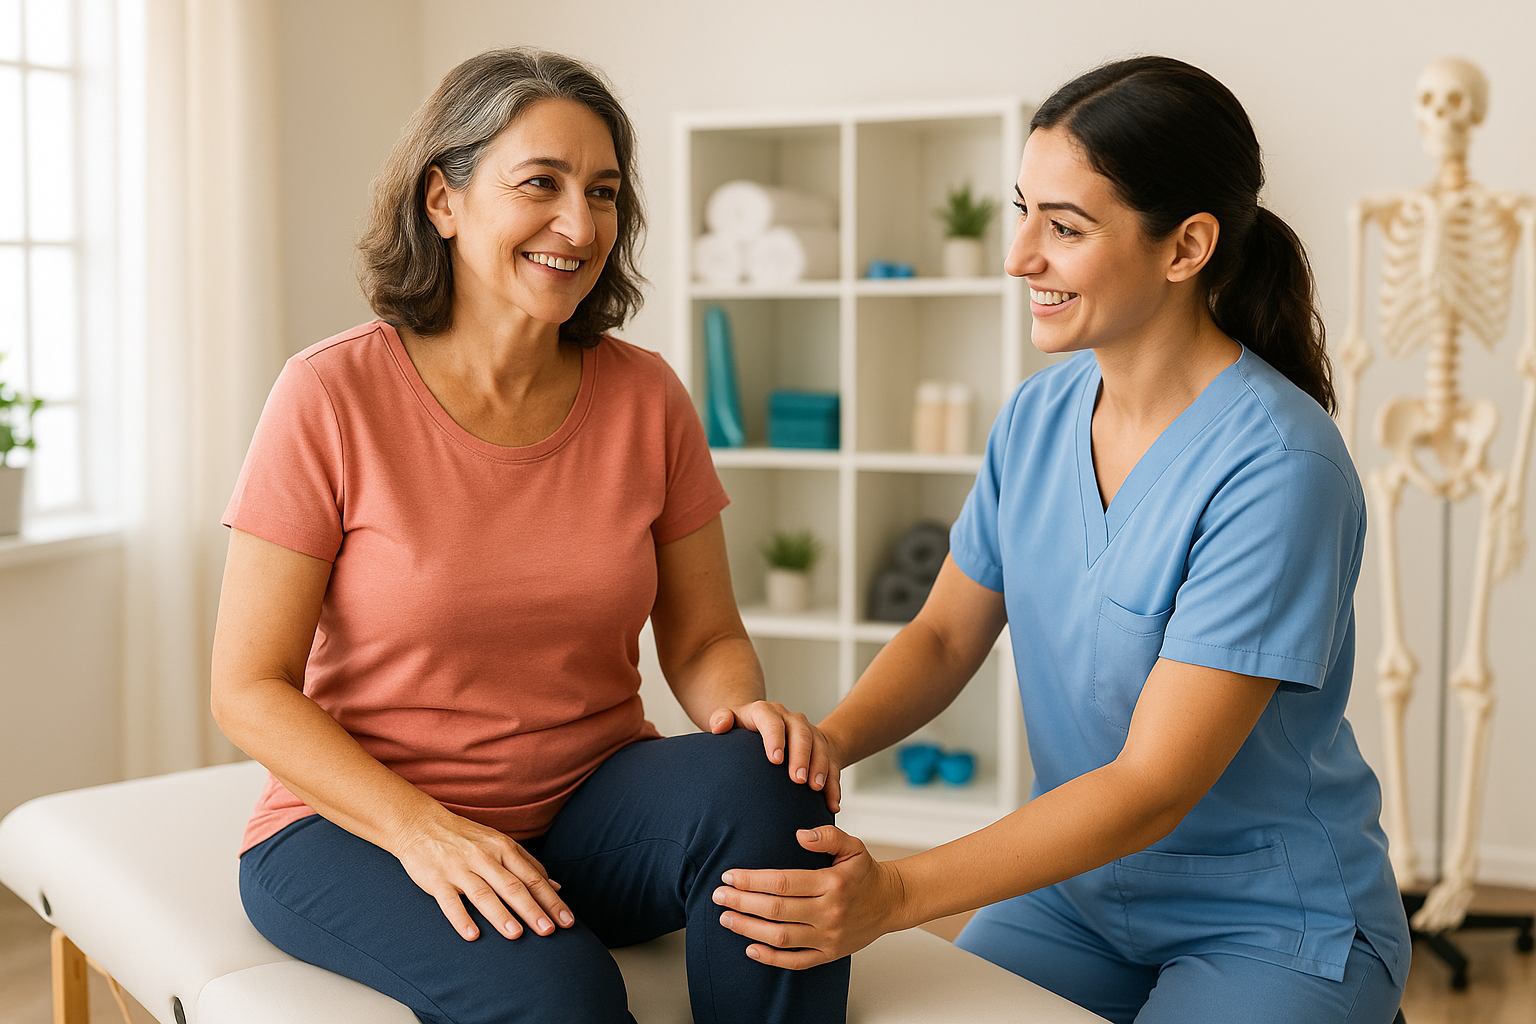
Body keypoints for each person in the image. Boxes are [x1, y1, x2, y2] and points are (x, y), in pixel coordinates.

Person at [713, 56, 1411, 1024]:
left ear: (1187, 246)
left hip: (1266, 920)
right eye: (1022, 210)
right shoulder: (1038, 418)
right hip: (1082, 897)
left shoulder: (1280, 467)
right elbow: (947, 636)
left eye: (1065, 227)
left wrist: (898, 896)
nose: (1019, 255)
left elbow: (1152, 785)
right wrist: (828, 743)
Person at [210, 47, 849, 1024]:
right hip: (365, 829)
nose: (579, 224)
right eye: (540, 184)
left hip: (589, 810)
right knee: (562, 997)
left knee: (770, 778)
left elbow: (706, 637)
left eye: (602, 192)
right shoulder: (331, 394)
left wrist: (739, 711)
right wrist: (426, 832)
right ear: (444, 200)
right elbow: (247, 688)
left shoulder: (645, 396)